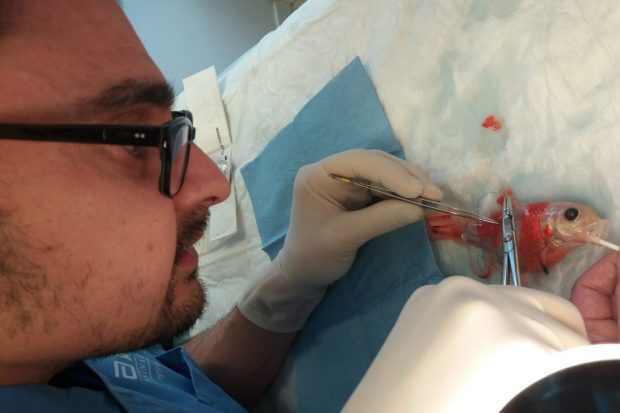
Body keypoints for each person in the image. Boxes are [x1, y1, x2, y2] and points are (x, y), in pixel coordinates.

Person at [0, 1, 444, 411]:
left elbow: (163, 390)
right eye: (133, 142)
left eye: (170, 129)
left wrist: (288, 286)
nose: (215, 184)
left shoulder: (59, 343)